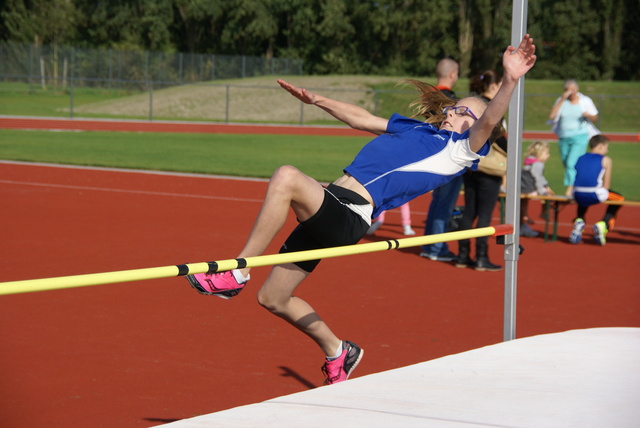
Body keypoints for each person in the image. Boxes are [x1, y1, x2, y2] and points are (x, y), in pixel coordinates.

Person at [184, 35, 537, 385]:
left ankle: (236, 272)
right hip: (332, 205)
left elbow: (489, 120)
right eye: (454, 107)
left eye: (464, 112)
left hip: (350, 216)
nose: (453, 112)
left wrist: (509, 80)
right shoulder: (416, 129)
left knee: (287, 178)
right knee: (273, 297)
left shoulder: (460, 151)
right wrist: (316, 99)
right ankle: (339, 351)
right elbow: (362, 119)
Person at [455, 70, 508, 272]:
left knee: (469, 210)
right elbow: (499, 139)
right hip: (489, 166)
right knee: (485, 213)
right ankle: (481, 257)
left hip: (470, 164)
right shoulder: (493, 109)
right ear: (494, 87)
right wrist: (511, 152)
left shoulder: (472, 104)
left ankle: (462, 255)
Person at [419, 58, 462, 262]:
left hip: (432, 152)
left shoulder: (429, 95)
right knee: (445, 202)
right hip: (448, 155)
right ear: (453, 74)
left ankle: (430, 244)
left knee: (438, 201)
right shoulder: (449, 99)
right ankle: (436, 247)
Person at [569, 135, 624, 246]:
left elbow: (579, 177)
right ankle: (603, 223)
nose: (607, 150)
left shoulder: (581, 157)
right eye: (606, 147)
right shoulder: (606, 160)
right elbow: (606, 186)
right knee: (619, 198)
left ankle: (579, 220)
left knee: (583, 197)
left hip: (577, 193)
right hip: (595, 193)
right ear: (600, 146)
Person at [548, 79, 599, 197]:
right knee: (567, 163)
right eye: (567, 90)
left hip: (580, 136)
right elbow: (552, 116)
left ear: (577, 89)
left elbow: (595, 117)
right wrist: (562, 99)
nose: (570, 92)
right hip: (564, 137)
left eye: (572, 89)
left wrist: (588, 115)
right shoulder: (561, 101)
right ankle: (577, 184)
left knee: (571, 163)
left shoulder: (585, 101)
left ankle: (570, 190)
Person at [520, 141, 554, 238]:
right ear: (539, 153)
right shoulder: (538, 164)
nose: (548, 155)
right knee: (547, 196)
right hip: (529, 188)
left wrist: (546, 186)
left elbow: (539, 178)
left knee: (523, 202)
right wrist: (542, 192)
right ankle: (544, 212)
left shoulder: (529, 160)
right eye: (546, 153)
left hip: (522, 186)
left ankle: (524, 216)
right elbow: (538, 178)